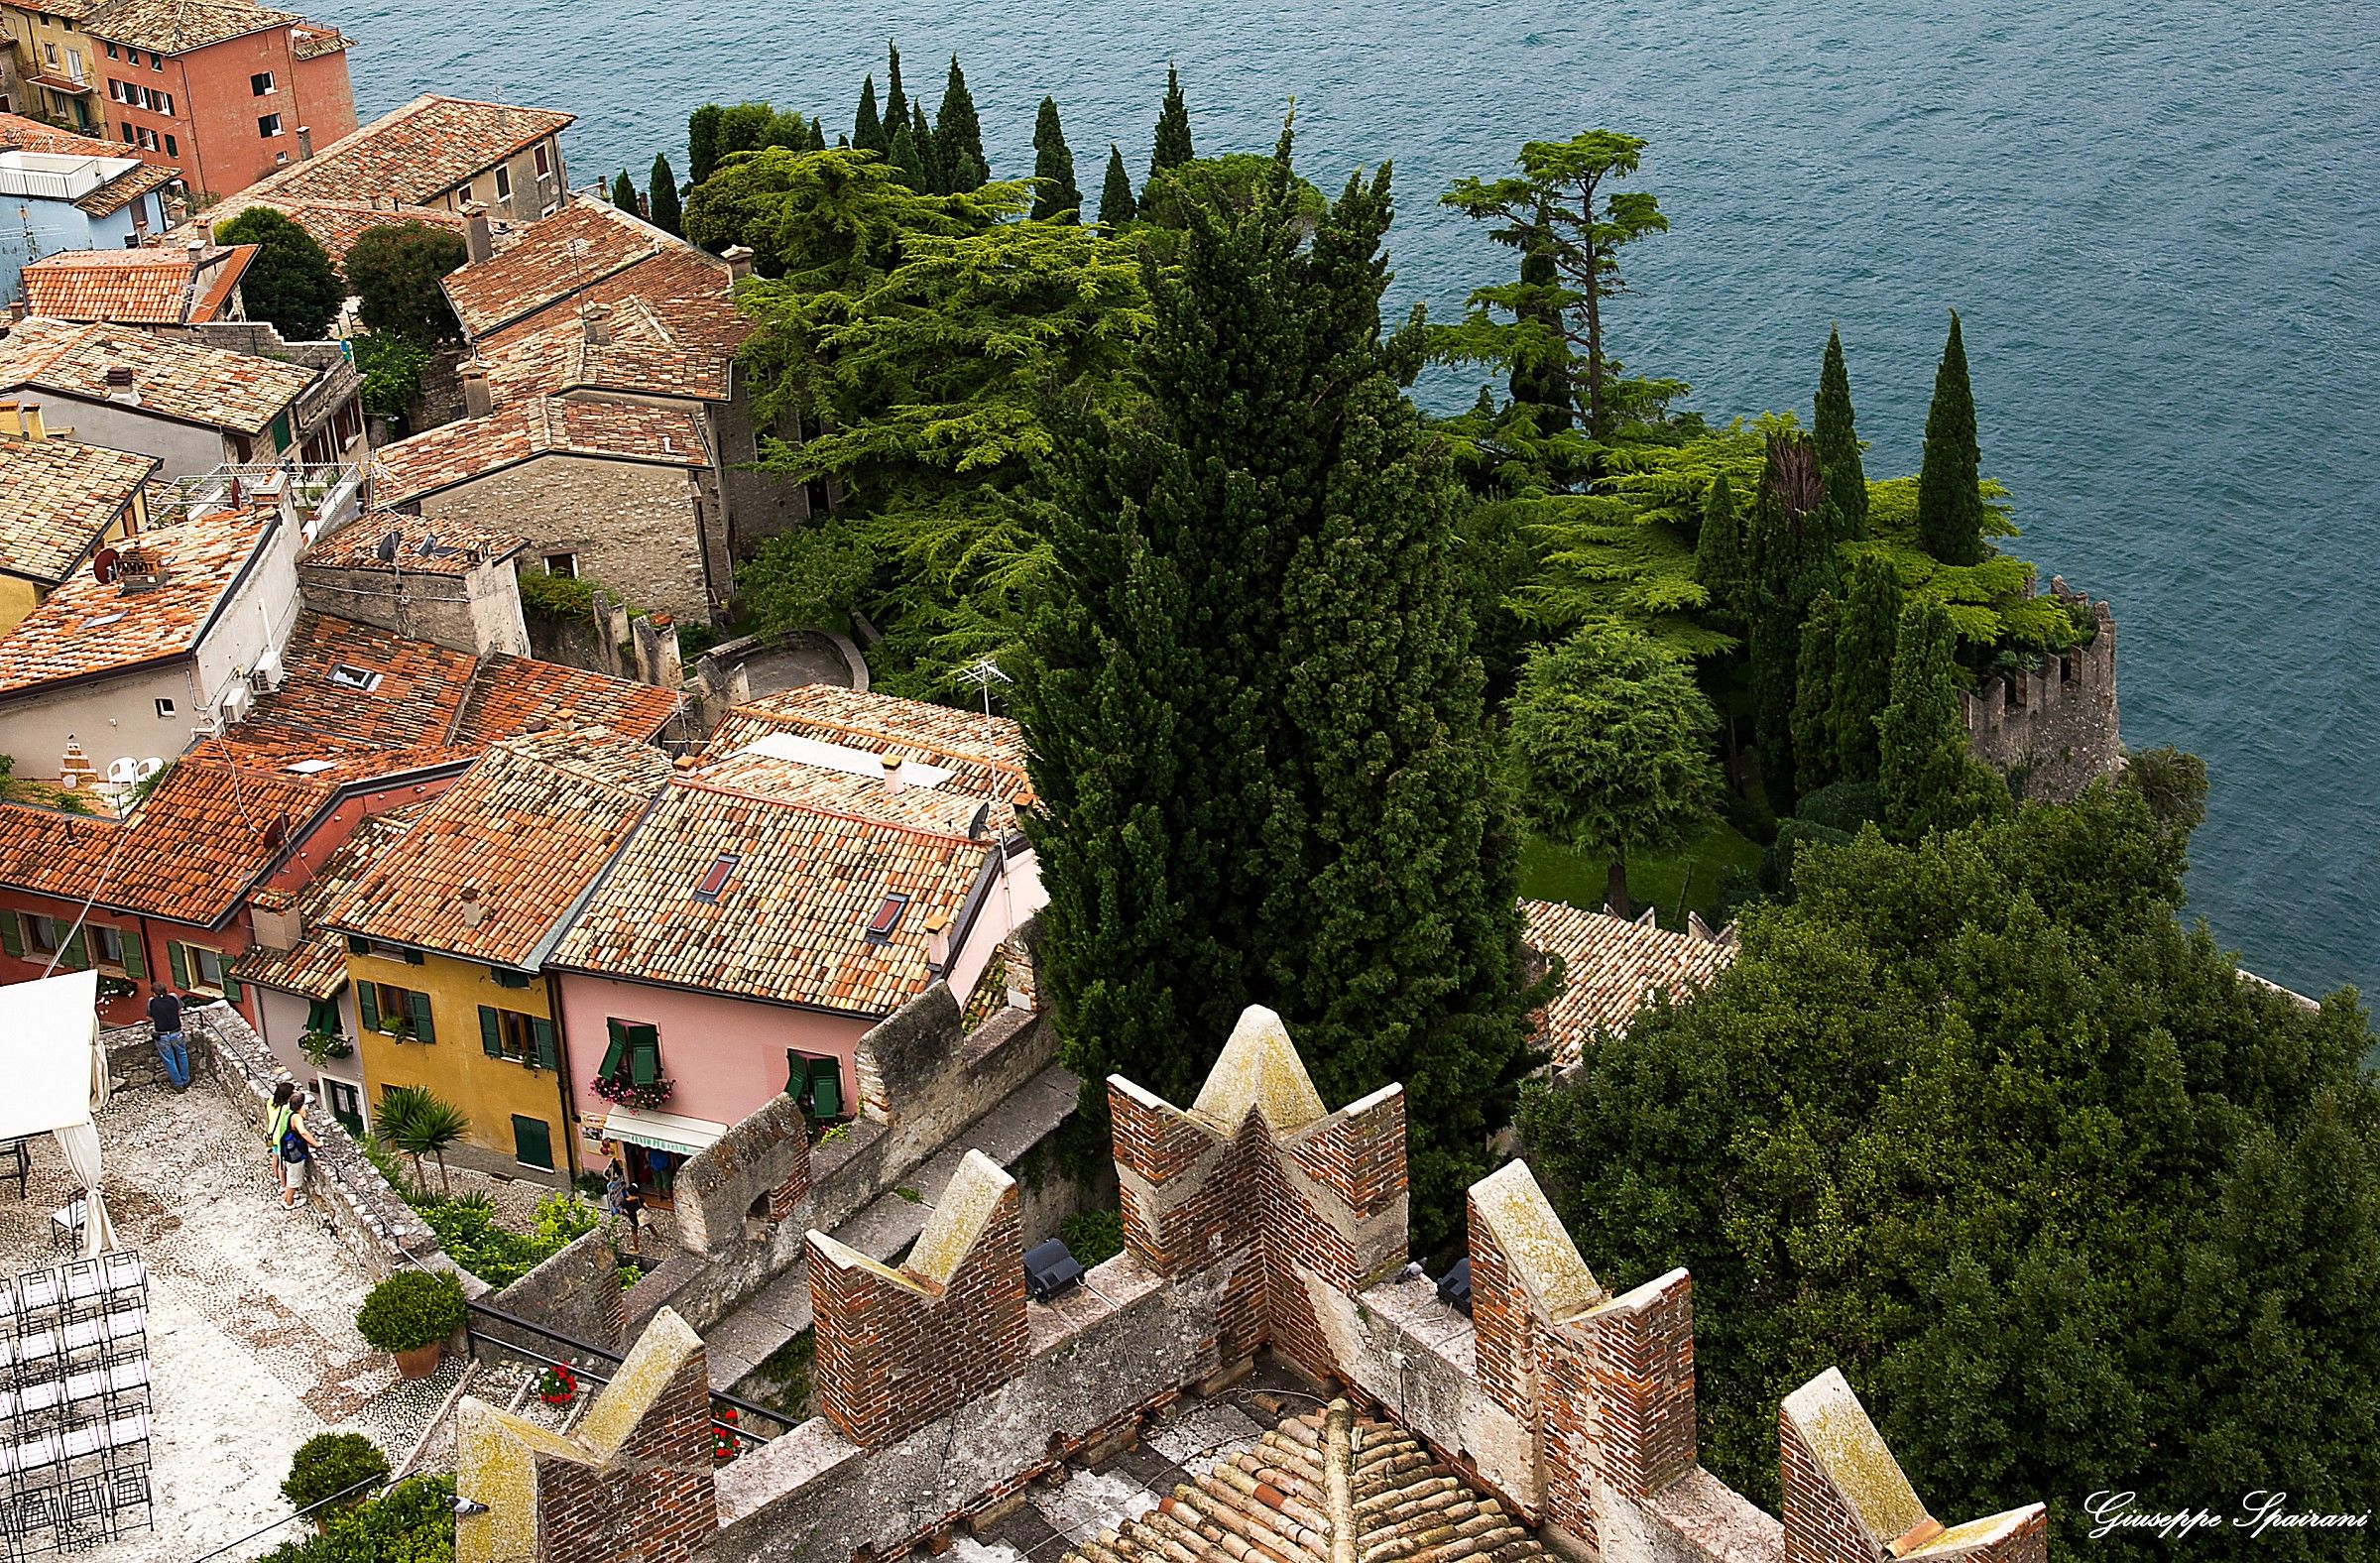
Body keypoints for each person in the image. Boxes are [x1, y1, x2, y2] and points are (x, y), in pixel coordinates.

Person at [270, 1084, 318, 1210]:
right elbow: (303, 1132)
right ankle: (289, 1202)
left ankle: (286, 1197)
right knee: (294, 1179)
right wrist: (316, 1143)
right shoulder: (296, 1117)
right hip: (294, 1154)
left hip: (285, 1150)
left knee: (290, 1175)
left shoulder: (287, 1112)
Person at [147, 982, 188, 1090]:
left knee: (169, 1060)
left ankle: (178, 1084)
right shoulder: (174, 997)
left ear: (154, 993)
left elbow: (150, 1017)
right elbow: (179, 1010)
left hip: (162, 1035)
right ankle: (185, 1079)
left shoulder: (151, 1002)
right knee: (182, 1054)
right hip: (176, 1032)